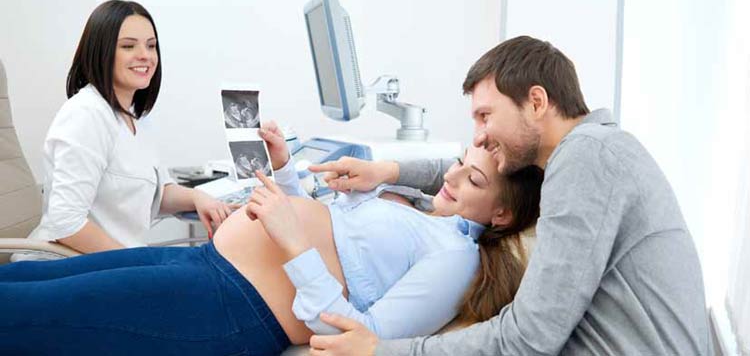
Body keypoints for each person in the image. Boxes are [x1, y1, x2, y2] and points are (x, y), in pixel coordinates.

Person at [307, 36, 710, 355]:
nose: (479, 134)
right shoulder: (582, 153)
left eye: (486, 115)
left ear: (536, 102)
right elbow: (471, 167)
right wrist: (387, 171)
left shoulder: (585, 159)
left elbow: (528, 340)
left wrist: (383, 350)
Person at [0, 121, 543, 354]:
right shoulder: (430, 213)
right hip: (205, 266)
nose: (449, 177)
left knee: (22, 313)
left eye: (471, 179)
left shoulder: (456, 260)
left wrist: (292, 243)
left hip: (229, 307)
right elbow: (327, 228)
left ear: (500, 215)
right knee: (20, 279)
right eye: (459, 165)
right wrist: (285, 173)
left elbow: (363, 338)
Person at [14, 0, 232, 260]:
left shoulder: (134, 117)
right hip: (66, 265)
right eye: (129, 46)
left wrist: (198, 197)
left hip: (115, 264)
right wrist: (138, 261)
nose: (145, 55)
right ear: (101, 52)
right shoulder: (86, 115)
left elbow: (156, 193)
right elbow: (66, 223)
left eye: (151, 46)